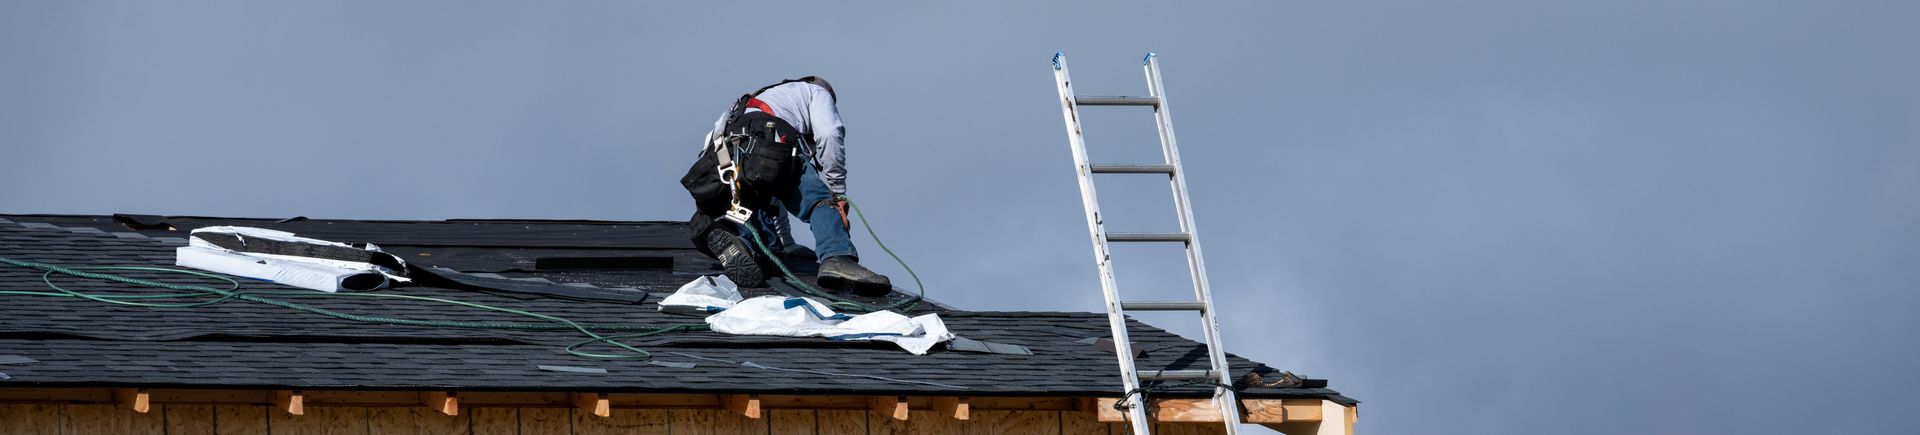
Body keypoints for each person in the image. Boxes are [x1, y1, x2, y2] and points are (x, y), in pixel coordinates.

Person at [681, 77, 891, 296]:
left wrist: (787, 242)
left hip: (723, 166)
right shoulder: (816, 92)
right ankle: (836, 257)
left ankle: (743, 245)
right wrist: (837, 194)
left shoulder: (745, 106)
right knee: (820, 202)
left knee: (768, 250)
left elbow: (772, 183)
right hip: (766, 145)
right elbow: (829, 134)